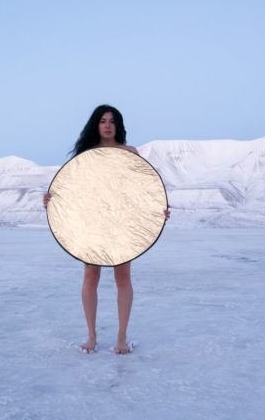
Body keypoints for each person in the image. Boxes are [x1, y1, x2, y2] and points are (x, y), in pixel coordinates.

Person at [43, 104, 170, 355]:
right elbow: (73, 192)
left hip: (123, 223)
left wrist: (157, 211)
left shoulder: (130, 153)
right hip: (94, 222)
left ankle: (121, 338)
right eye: (102, 121)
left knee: (123, 277)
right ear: (96, 125)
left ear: (118, 125)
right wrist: (51, 199)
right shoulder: (86, 156)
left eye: (112, 121)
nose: (108, 125)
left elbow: (143, 189)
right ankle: (91, 335)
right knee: (91, 277)